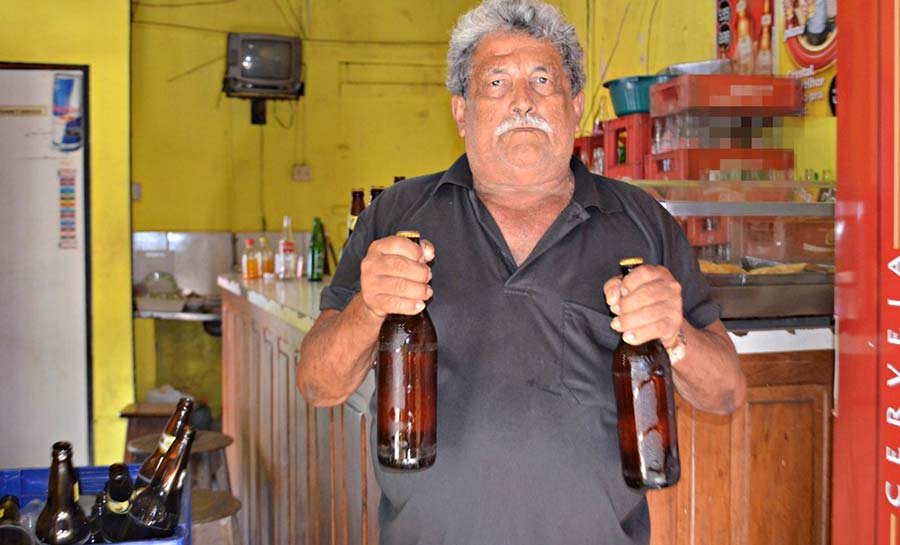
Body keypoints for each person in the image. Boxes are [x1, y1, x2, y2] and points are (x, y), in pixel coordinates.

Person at [297, 1, 746, 543]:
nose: (523, 101)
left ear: (573, 104)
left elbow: (725, 393)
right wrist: (368, 309)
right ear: (461, 110)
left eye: (542, 79)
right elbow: (318, 384)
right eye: (495, 83)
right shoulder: (397, 217)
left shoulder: (641, 221)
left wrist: (674, 337)